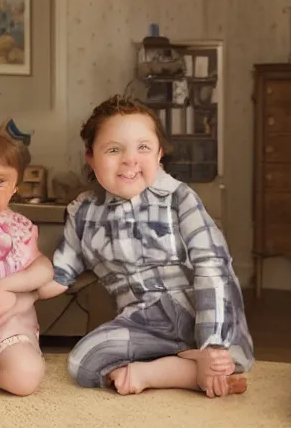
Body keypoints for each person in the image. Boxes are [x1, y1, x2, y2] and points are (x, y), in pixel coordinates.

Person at [38, 95, 254, 398]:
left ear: (159, 154)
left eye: (143, 148)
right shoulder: (83, 213)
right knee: (81, 361)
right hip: (143, 323)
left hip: (195, 310)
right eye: (114, 150)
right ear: (90, 156)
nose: (130, 160)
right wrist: (13, 292)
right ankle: (192, 373)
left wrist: (213, 341)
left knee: (225, 352)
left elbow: (213, 266)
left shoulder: (179, 198)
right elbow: (60, 274)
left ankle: (185, 364)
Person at [0, 125, 54, 396]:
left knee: (24, 376)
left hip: (6, 326)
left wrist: (7, 286)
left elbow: (44, 269)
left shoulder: (17, 228)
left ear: (15, 186)